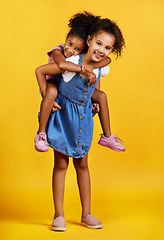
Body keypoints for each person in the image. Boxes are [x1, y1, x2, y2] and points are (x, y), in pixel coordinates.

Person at [35, 17, 125, 231]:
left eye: (108, 47)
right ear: (89, 40)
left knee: (83, 165)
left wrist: (93, 102)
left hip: (83, 119)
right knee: (61, 165)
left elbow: (98, 80)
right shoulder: (72, 62)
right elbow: (42, 71)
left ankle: (86, 214)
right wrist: (46, 94)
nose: (102, 50)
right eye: (98, 44)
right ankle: (59, 215)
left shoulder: (103, 66)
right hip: (64, 117)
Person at [34, 12, 125, 153]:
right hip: (53, 82)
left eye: (77, 49)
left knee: (101, 96)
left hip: (71, 84)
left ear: (84, 47)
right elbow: (62, 65)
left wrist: (92, 68)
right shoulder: (59, 52)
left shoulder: (90, 57)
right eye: (69, 44)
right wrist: (84, 70)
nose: (71, 50)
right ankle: (41, 134)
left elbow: (106, 62)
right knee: (51, 92)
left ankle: (107, 136)